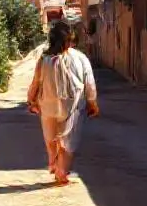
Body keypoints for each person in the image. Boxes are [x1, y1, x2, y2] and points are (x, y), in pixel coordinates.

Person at [27, 21, 99, 185]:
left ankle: (53, 161)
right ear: (69, 40)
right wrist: (92, 102)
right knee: (69, 140)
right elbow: (89, 83)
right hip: (71, 107)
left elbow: (36, 83)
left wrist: (31, 100)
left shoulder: (44, 60)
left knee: (50, 138)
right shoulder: (80, 58)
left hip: (48, 105)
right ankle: (61, 171)